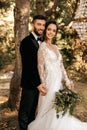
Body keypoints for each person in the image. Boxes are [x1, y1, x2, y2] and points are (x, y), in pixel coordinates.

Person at [28, 21, 87, 130]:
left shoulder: (55, 47)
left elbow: (61, 66)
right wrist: (43, 84)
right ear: (46, 30)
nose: (51, 32)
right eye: (49, 29)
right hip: (49, 82)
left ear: (55, 33)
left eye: (54, 30)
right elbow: (40, 67)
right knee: (50, 107)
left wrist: (67, 80)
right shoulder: (42, 47)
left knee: (59, 107)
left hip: (58, 82)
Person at [18, 15, 47, 130]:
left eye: (43, 25)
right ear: (33, 25)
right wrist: (38, 84)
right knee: (25, 113)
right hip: (30, 84)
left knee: (32, 113)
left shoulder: (43, 42)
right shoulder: (26, 42)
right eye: (39, 24)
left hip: (40, 84)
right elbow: (29, 67)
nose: (41, 27)